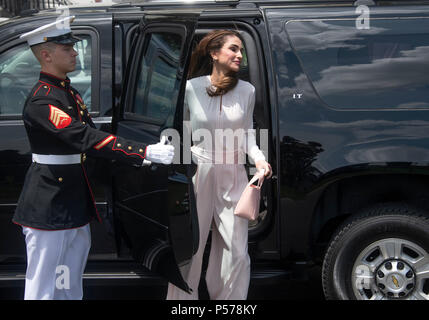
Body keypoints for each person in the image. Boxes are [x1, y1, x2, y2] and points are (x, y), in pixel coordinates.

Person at [12, 16, 174, 300]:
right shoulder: (43, 100)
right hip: (51, 202)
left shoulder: (66, 92)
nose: (75, 52)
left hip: (71, 198)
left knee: (69, 282)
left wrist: (141, 154)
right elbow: (83, 137)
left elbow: (92, 133)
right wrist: (142, 152)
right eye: (67, 48)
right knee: (44, 286)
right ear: (46, 55)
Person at [167, 30, 272, 300]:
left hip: (234, 175)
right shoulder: (191, 88)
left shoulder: (247, 90)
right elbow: (183, 132)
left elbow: (248, 133)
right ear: (214, 54)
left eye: (241, 51)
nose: (239, 55)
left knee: (236, 251)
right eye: (233, 49)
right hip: (199, 174)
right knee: (192, 248)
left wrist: (259, 159)